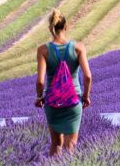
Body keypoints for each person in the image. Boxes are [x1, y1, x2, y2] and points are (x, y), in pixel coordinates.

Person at [35, 9, 92, 156]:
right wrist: (86, 96)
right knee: (70, 146)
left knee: (55, 144)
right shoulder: (78, 48)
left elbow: (40, 81)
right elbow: (88, 76)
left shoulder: (43, 50)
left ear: (50, 28)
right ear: (66, 27)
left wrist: (39, 97)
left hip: (52, 103)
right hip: (73, 101)